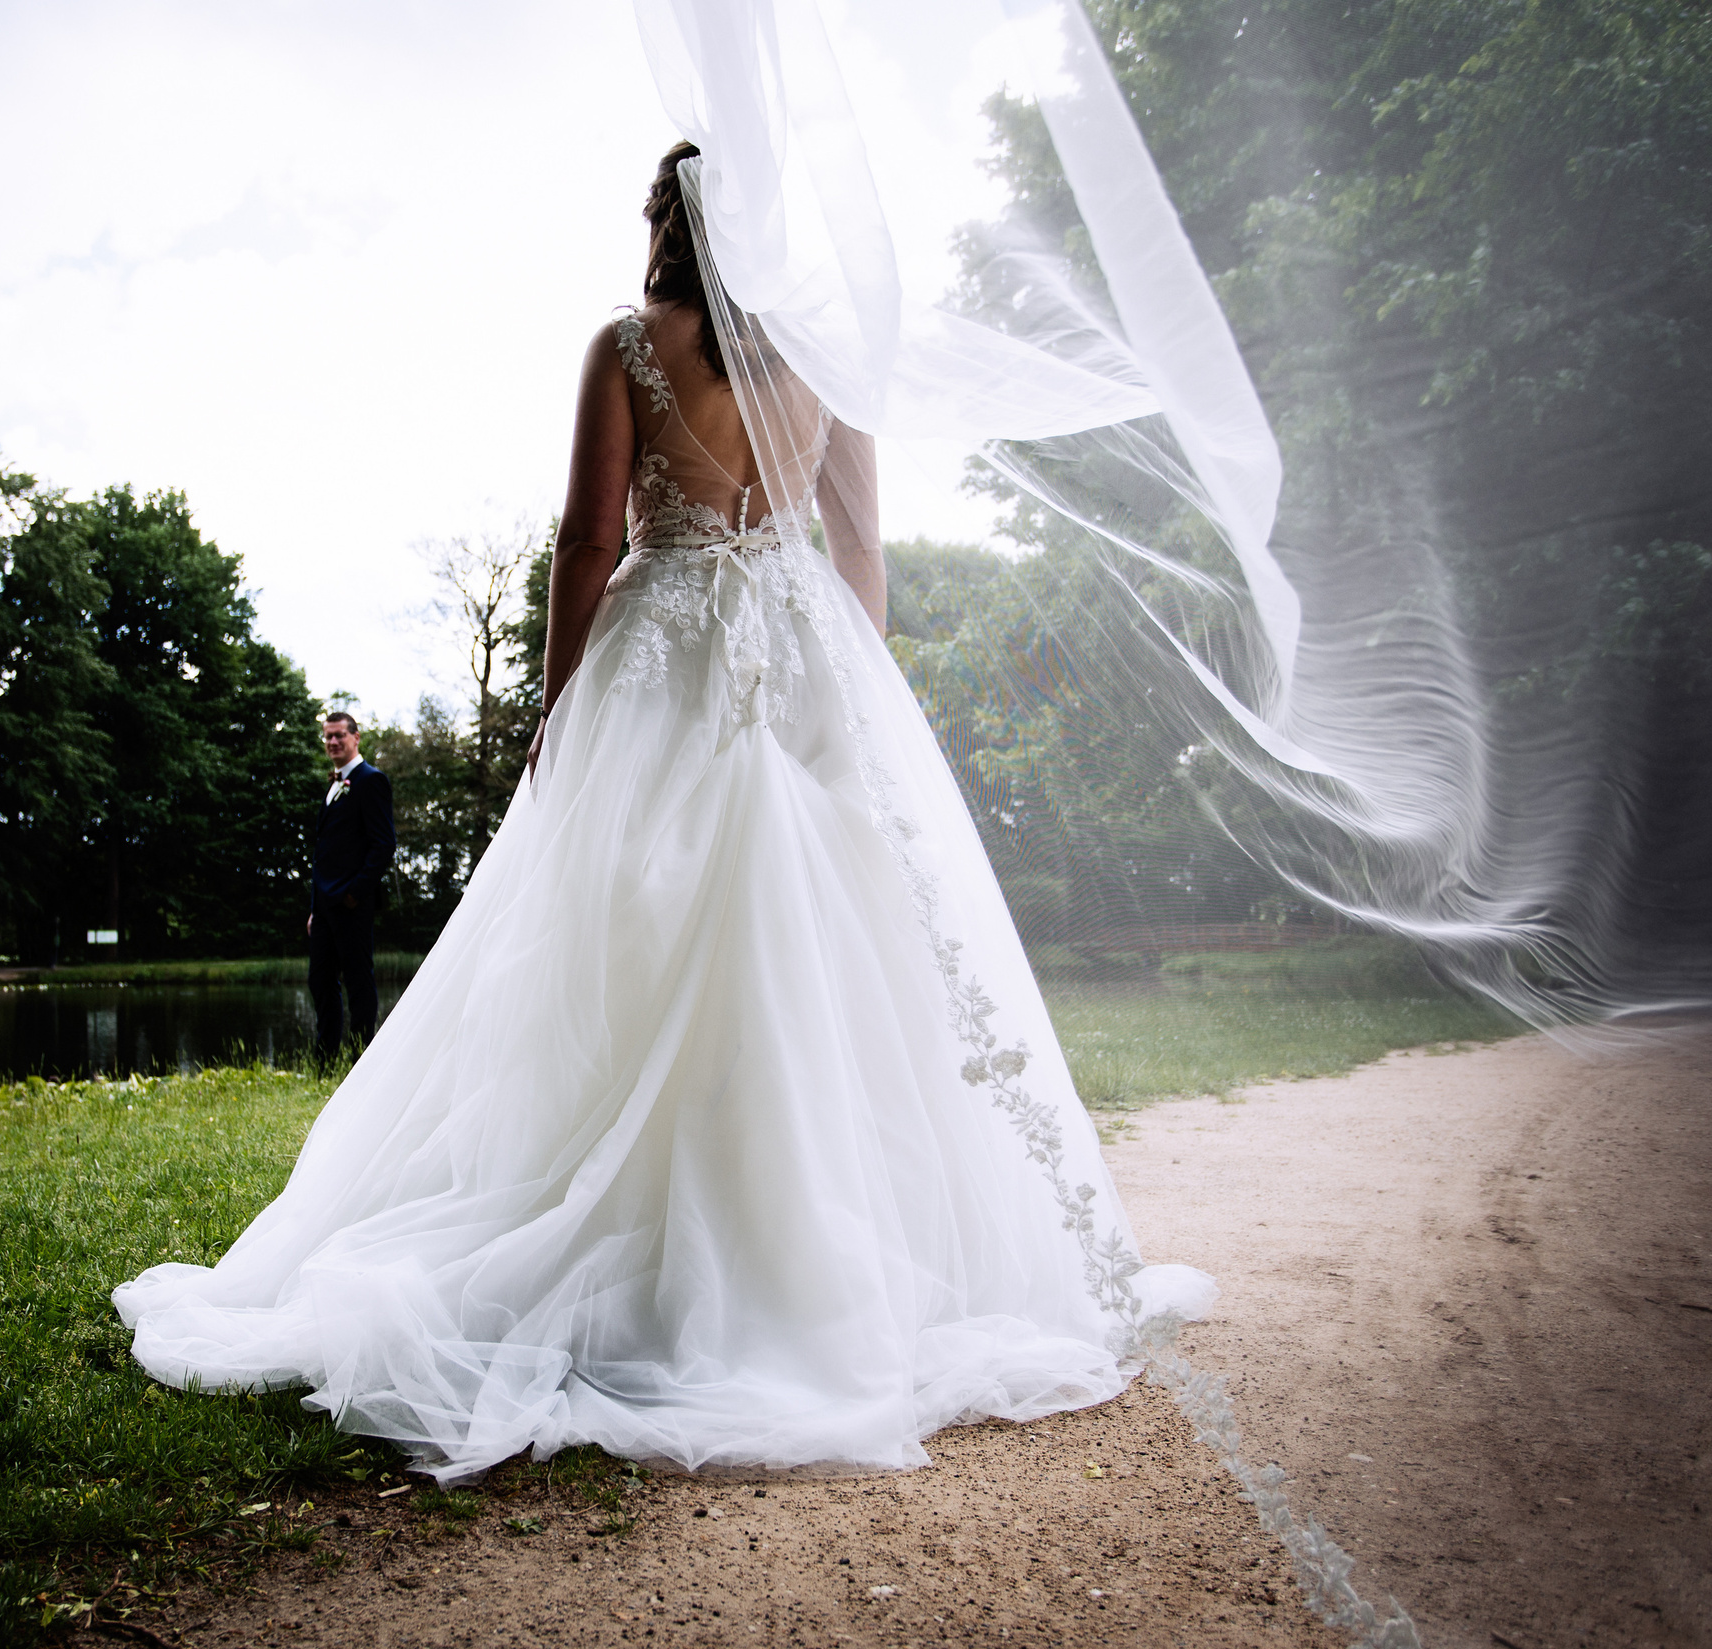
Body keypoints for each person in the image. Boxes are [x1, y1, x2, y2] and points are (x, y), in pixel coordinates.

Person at [115, 143, 1211, 1483]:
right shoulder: (828, 357)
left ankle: (652, 1254)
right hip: (801, 642)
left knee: (621, 926)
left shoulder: (631, 344)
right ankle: (821, 1259)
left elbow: (587, 537)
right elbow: (858, 549)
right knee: (833, 942)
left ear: (671, 224)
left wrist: (555, 703)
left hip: (663, 655)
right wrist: (850, 691)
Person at [306, 710, 393, 1064]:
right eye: (328, 736)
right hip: (325, 906)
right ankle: (324, 1060)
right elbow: (323, 852)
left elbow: (383, 844)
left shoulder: (371, 780)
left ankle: (362, 1062)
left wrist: (355, 893)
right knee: (320, 982)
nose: (333, 742)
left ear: (356, 737)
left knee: (359, 983)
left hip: (352, 903)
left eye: (339, 735)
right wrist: (315, 908)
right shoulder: (334, 784)